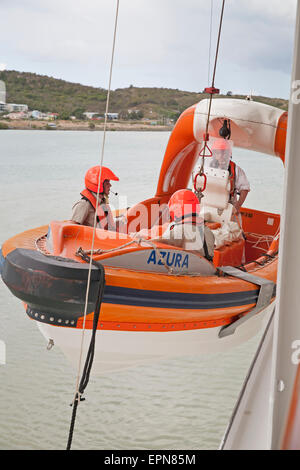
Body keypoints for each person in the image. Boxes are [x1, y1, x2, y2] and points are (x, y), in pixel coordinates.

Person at [157, 189, 215, 261]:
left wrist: (143, 241)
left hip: (191, 269)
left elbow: (162, 241)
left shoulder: (181, 229)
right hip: (208, 268)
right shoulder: (208, 231)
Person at [71, 165, 119, 230]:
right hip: (90, 239)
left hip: (103, 238)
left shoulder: (101, 203)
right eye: (107, 183)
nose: (110, 185)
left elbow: (109, 227)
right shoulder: (83, 205)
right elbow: (71, 230)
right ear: (98, 185)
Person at [210, 139, 250, 216]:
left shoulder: (236, 169)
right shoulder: (208, 168)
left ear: (229, 154)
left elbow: (245, 188)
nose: (221, 156)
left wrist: (237, 207)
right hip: (210, 206)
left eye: (224, 153)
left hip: (229, 209)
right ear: (214, 154)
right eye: (218, 153)